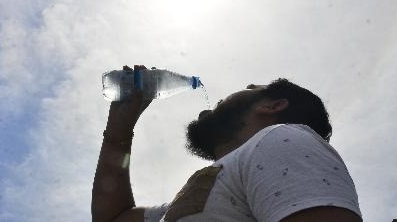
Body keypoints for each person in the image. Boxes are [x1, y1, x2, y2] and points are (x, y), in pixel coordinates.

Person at [92, 65, 362, 222]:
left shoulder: (282, 140)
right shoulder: (204, 195)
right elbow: (113, 219)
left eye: (251, 87)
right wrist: (120, 127)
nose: (223, 97)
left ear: (273, 105)